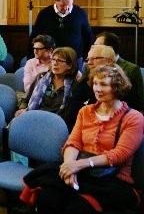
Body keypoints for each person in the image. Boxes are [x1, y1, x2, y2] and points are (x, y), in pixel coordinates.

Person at [34, 64, 144, 214]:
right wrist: (69, 167)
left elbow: (120, 154)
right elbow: (73, 142)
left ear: (117, 87)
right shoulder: (85, 111)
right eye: (96, 84)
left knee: (77, 208)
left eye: (104, 84)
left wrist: (81, 164)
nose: (97, 89)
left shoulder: (133, 117)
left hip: (111, 178)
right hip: (81, 172)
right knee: (47, 198)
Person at [68, 45, 143, 131]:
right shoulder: (86, 81)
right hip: (84, 127)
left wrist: (88, 103)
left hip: (115, 129)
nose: (89, 62)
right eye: (88, 59)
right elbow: (72, 108)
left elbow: (125, 110)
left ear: (109, 61)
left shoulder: (125, 82)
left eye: (94, 58)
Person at [28, 0, 93, 71]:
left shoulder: (80, 13)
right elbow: (35, 37)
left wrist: (87, 57)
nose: (66, 8)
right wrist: (31, 59)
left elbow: (88, 36)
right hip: (50, 60)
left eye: (69, 5)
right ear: (55, 0)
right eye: (62, 5)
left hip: (74, 60)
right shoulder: (44, 14)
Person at [16, 47, 79, 123]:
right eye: (53, 59)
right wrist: (22, 108)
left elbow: (72, 116)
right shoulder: (41, 77)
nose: (55, 63)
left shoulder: (75, 86)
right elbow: (26, 99)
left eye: (59, 61)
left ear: (69, 65)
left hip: (56, 123)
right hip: (33, 118)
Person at [83, 31, 144, 105]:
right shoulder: (88, 67)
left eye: (97, 46)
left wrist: (89, 102)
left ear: (110, 48)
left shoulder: (131, 69)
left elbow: (139, 100)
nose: (93, 48)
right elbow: (81, 93)